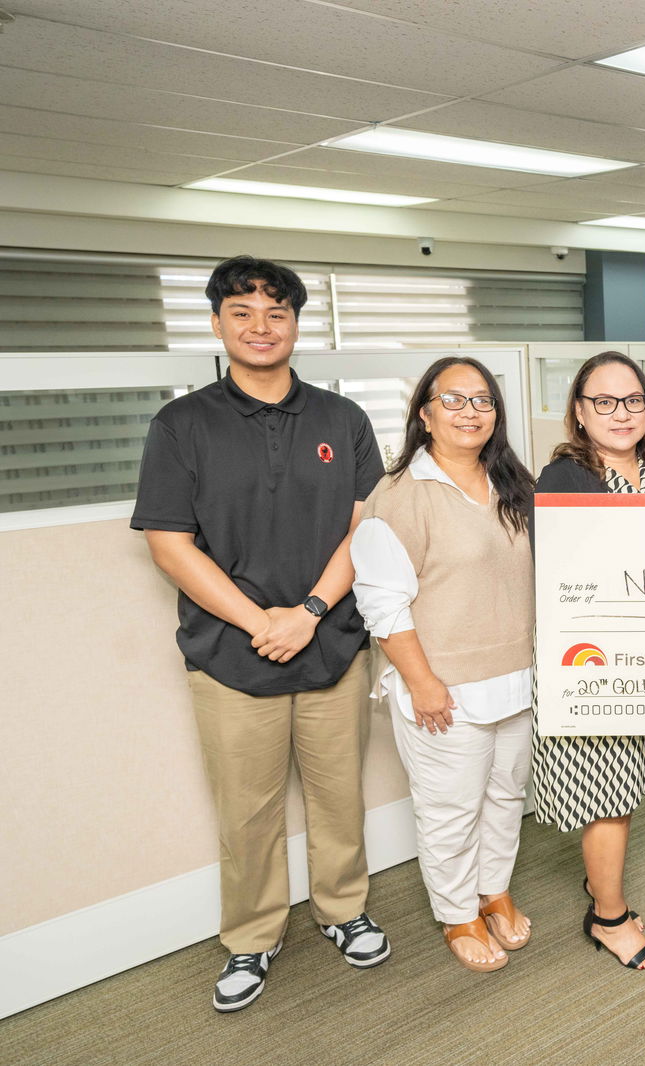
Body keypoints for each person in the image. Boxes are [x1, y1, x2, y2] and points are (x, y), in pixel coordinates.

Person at [132, 255, 389, 1013]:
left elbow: (364, 525)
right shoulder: (181, 425)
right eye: (241, 312)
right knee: (247, 810)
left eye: (276, 313)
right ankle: (251, 937)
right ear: (216, 324)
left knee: (340, 796)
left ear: (297, 325)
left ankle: (344, 910)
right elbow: (170, 543)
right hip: (229, 657)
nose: (260, 326)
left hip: (332, 644)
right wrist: (261, 623)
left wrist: (308, 613)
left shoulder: (341, 419)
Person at [352, 357, 536, 973]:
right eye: (452, 400)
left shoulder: (511, 483)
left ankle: (495, 891)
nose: (470, 411)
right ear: (424, 414)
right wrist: (423, 683)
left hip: (516, 678)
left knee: (506, 797)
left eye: (482, 400)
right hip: (444, 690)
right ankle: (457, 913)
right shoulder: (400, 496)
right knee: (450, 812)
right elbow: (381, 603)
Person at [533, 351, 645, 971]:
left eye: (632, 401)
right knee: (607, 795)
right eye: (603, 401)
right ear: (579, 409)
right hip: (590, 658)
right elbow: (564, 577)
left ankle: (602, 887)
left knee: (625, 783)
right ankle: (610, 919)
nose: (620, 414)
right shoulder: (564, 479)